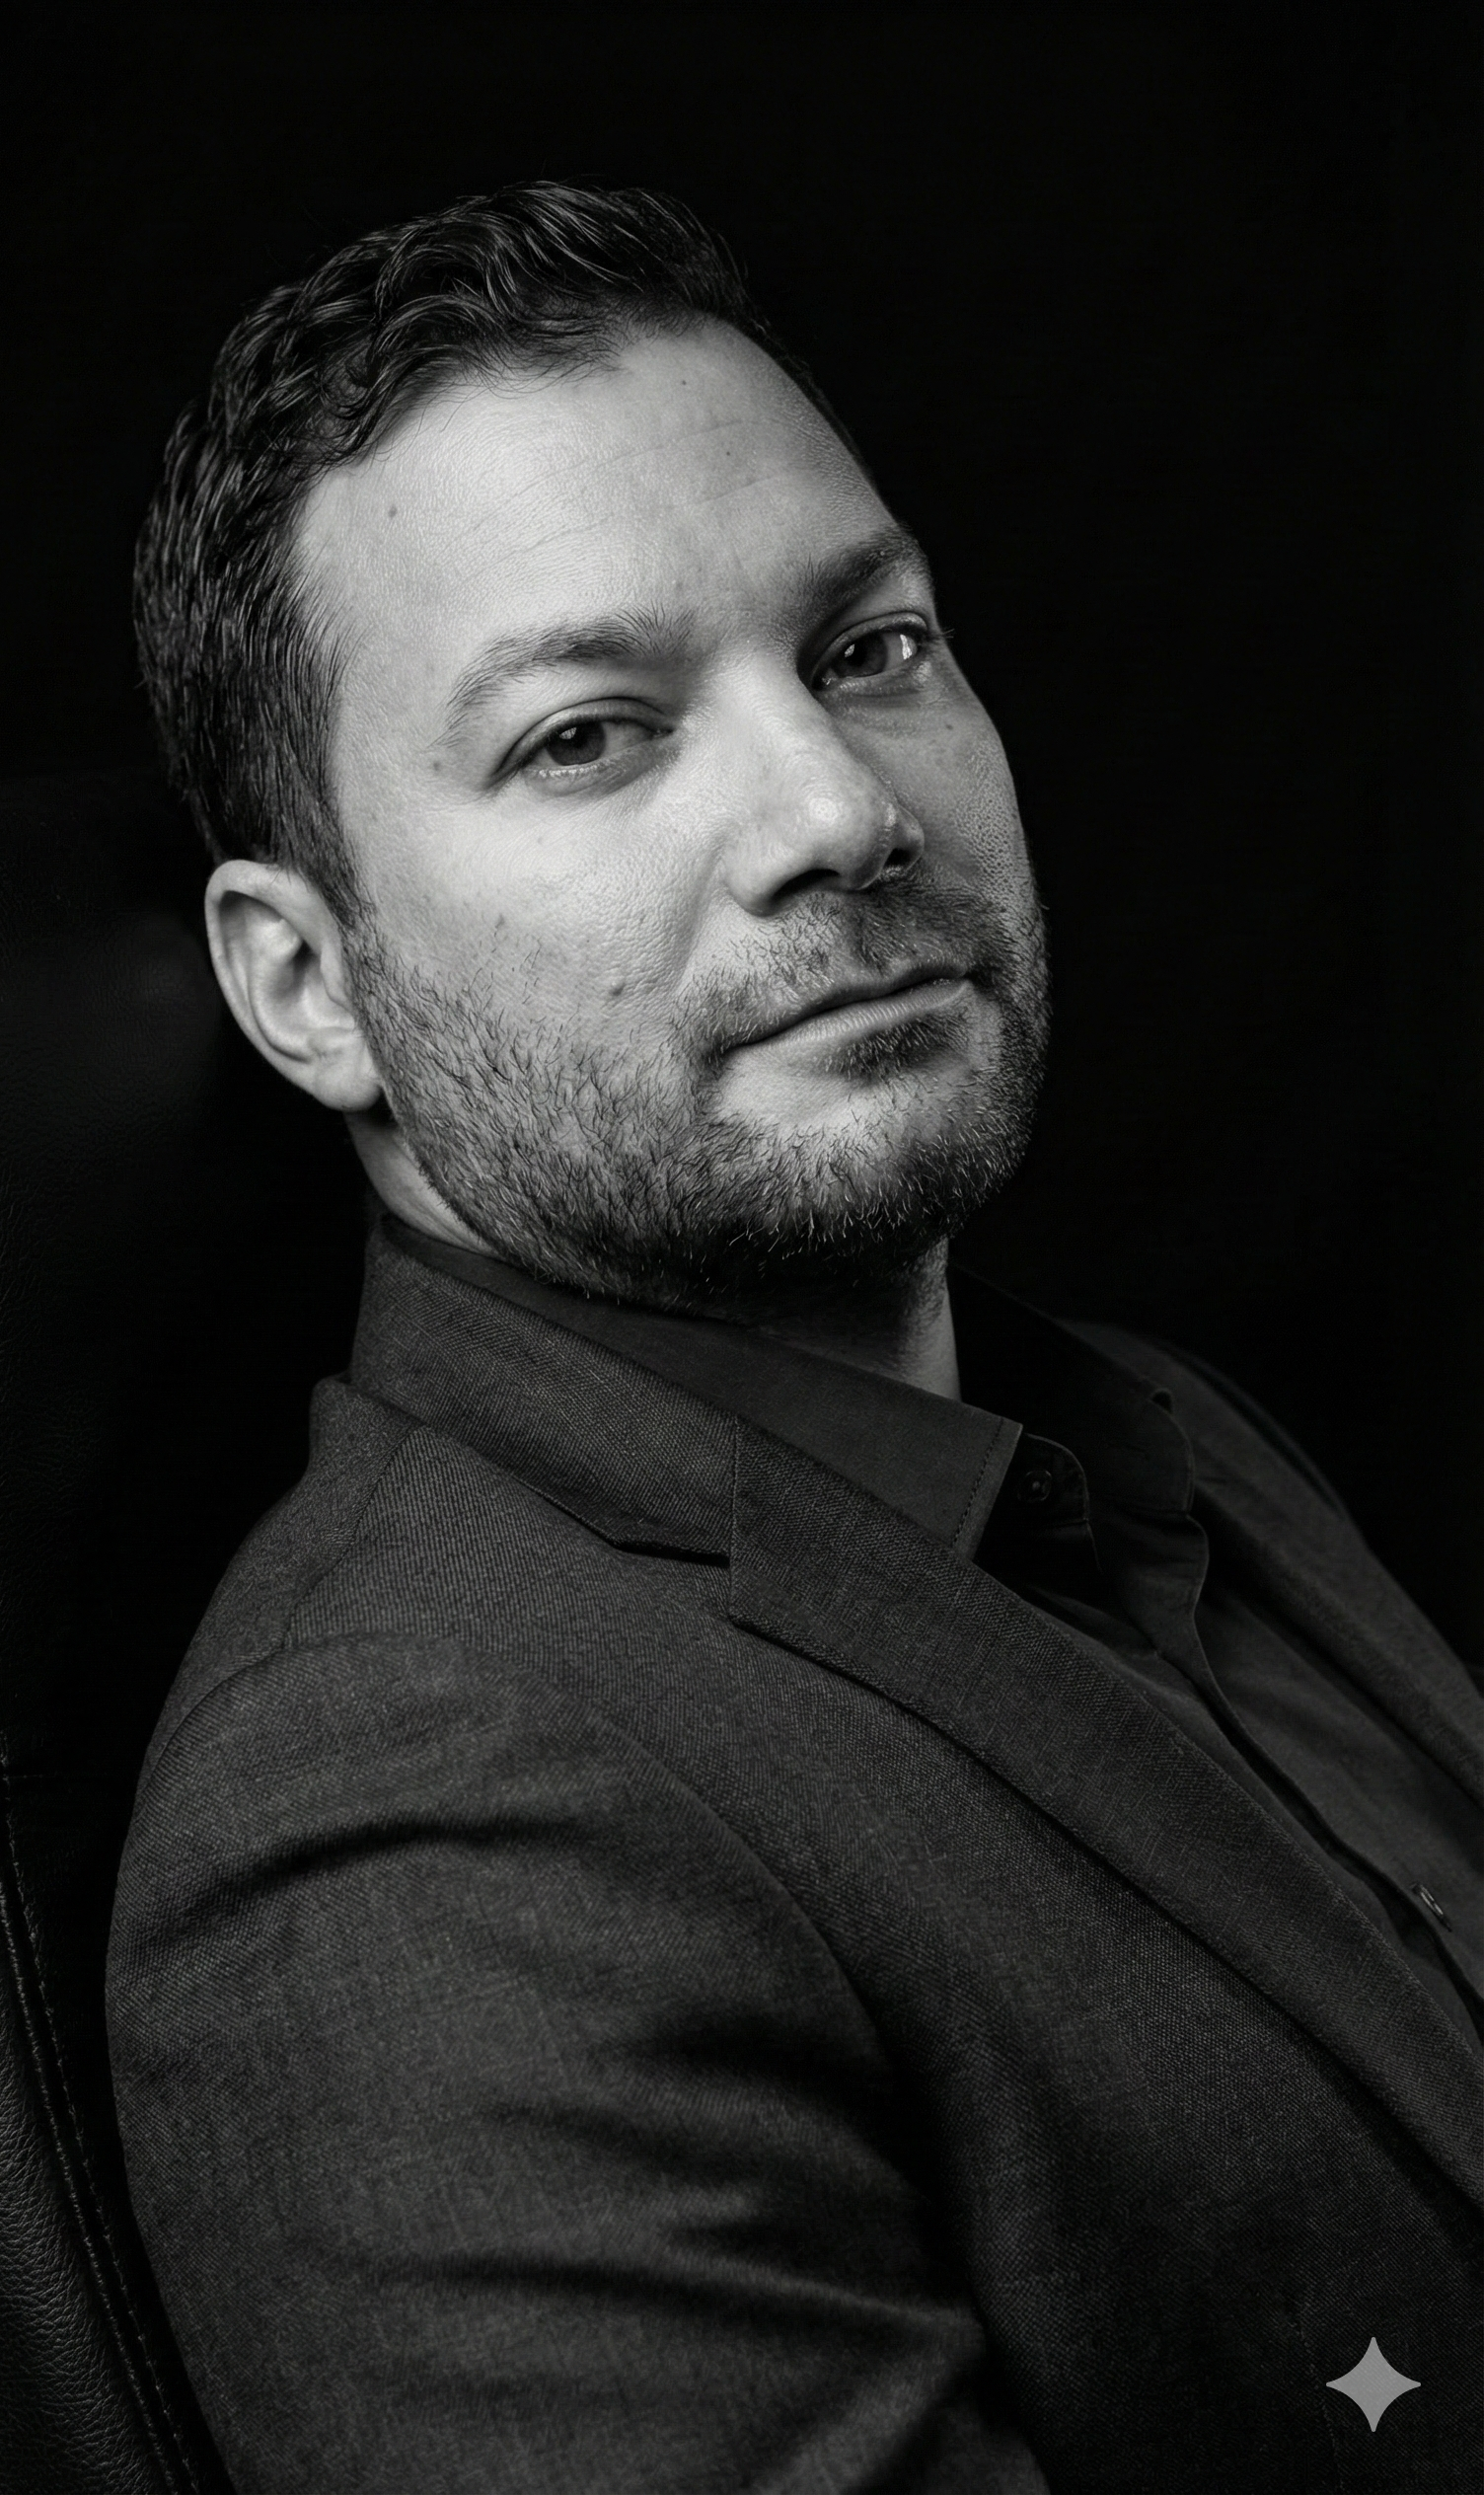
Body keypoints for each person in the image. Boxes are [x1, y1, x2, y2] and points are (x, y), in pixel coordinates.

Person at [107, 182, 1482, 2493]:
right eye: (587, 737)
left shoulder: (1152, 1436)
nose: (836, 813)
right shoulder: (413, 1841)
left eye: (867, 650)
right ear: (306, 986)